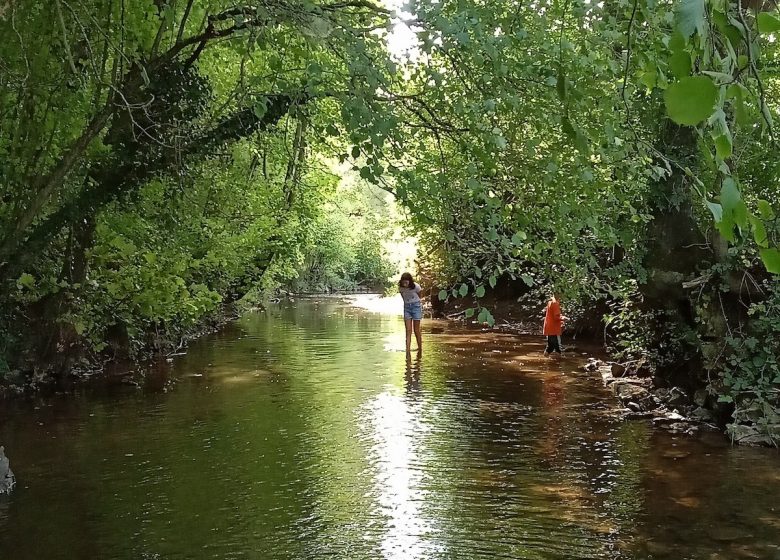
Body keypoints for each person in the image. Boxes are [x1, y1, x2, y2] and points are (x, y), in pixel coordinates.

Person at [398, 272, 423, 354]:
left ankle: (420, 349)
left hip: (416, 307)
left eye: (406, 281)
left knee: (416, 330)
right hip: (407, 308)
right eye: (403, 281)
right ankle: (407, 350)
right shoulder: (401, 288)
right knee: (408, 330)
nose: (405, 283)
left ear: (410, 281)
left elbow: (420, 295)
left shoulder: (416, 286)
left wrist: (416, 303)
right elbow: (403, 297)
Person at [543, 291, 565, 355]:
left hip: (549, 328)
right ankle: (558, 360)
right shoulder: (555, 303)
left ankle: (545, 358)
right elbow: (556, 317)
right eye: (560, 293)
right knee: (558, 348)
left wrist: (561, 318)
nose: (561, 295)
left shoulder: (550, 302)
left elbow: (554, 316)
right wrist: (563, 318)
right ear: (557, 294)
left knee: (550, 347)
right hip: (554, 330)